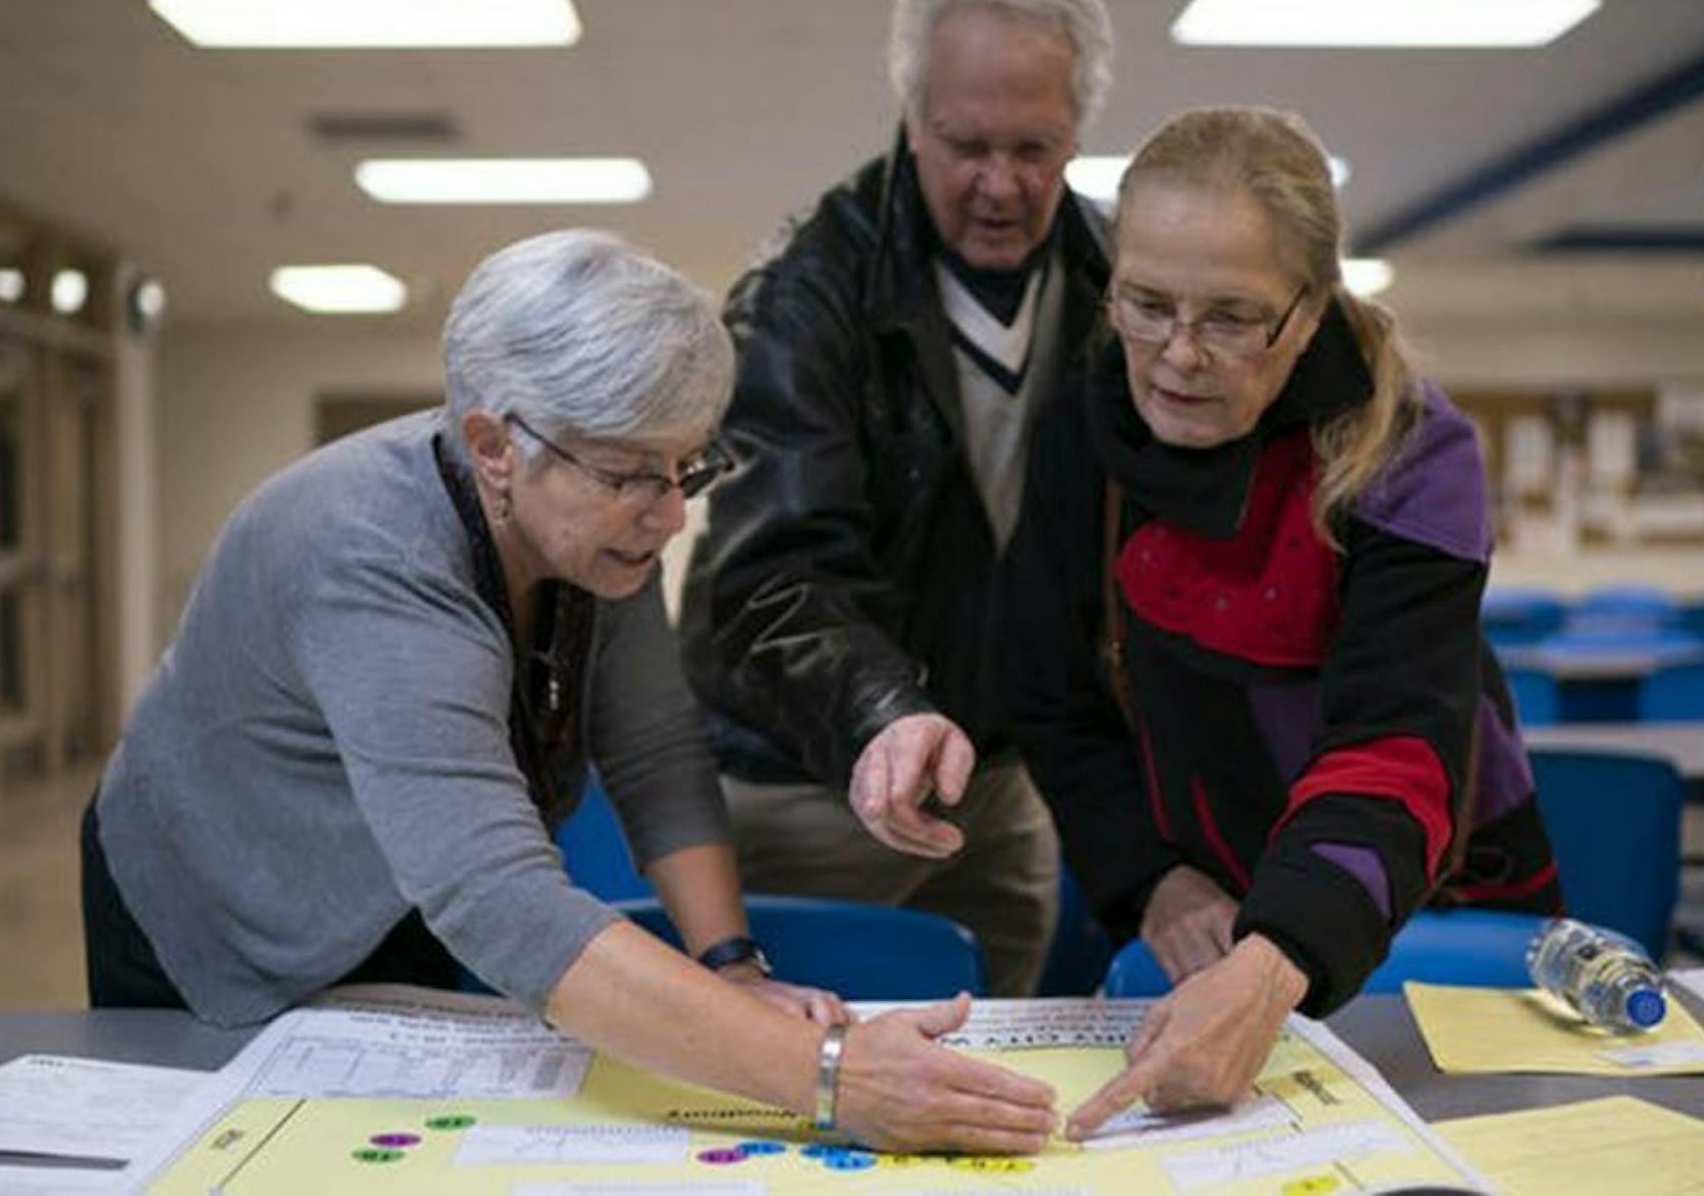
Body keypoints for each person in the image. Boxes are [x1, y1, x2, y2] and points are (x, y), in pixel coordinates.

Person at [82, 230, 1058, 1154]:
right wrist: (832, 1075)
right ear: (496, 446)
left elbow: (658, 749)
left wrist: (734, 967)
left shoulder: (585, 529)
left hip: (390, 887)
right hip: (216, 900)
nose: (671, 514)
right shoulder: (364, 553)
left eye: (687, 468)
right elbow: (492, 890)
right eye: (636, 475)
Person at [989, 108, 1562, 1138]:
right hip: (1203, 872)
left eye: (1231, 317)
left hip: (1415, 874)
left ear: (1308, 311)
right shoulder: (1086, 421)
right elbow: (1051, 693)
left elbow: (1395, 750)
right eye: (1147, 305)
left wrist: (1279, 955)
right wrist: (1153, 882)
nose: (1178, 356)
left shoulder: (1410, 450)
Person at [678, 0, 1115, 996]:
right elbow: (772, 572)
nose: (1003, 185)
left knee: (992, 1066)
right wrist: (887, 716)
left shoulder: (1122, 280)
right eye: (968, 146)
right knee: (796, 1073)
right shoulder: (805, 291)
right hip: (808, 780)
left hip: (998, 782)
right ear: (912, 117)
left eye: (1035, 148)